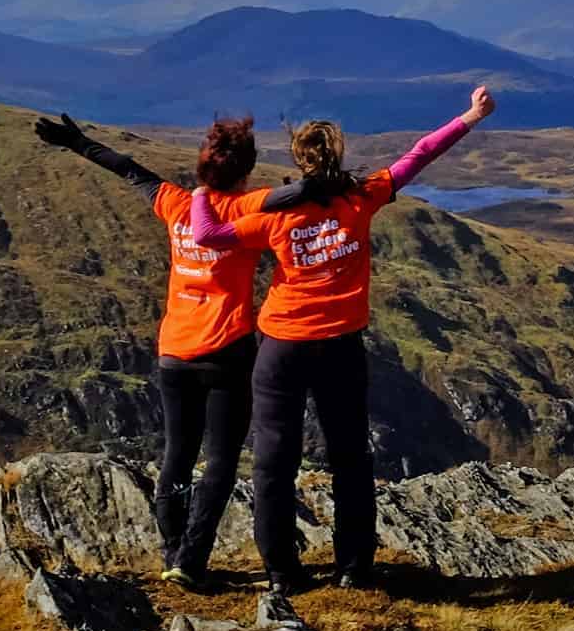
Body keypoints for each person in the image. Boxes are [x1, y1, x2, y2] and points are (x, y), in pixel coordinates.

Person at [187, 85, 497, 594]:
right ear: (338, 155)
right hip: (340, 346)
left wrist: (201, 193)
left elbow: (208, 236)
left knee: (273, 461)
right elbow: (418, 155)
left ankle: (283, 573)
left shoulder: (275, 213)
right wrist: (470, 116)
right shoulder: (362, 197)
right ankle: (354, 567)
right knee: (350, 456)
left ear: (299, 160)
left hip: (282, 346)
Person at [33, 111, 279, 590]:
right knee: (222, 459)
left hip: (174, 352)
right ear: (245, 170)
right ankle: (191, 558)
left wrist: (78, 142)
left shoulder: (177, 204)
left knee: (178, 453)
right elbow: (296, 200)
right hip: (227, 352)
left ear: (202, 167)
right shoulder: (251, 210)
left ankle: (171, 552)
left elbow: (129, 169)